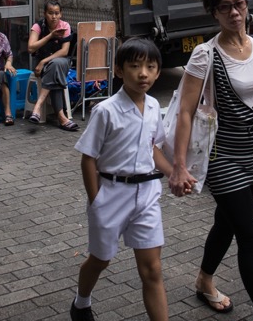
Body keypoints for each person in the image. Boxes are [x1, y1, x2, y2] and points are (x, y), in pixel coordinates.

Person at [168, 0, 253, 321]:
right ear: (214, 13)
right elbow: (185, 114)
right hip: (221, 157)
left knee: (226, 222)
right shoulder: (204, 55)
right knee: (250, 235)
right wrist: (179, 166)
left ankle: (204, 279)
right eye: (225, 7)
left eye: (238, 4)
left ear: (247, 4)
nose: (234, 12)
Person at [70, 38, 177, 321]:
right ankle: (81, 302)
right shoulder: (105, 111)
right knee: (101, 259)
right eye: (134, 66)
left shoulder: (155, 107)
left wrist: (174, 173)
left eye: (150, 67)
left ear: (157, 72)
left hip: (147, 196)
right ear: (119, 70)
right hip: (111, 194)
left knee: (152, 269)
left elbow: (152, 148)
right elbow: (88, 158)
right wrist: (96, 201)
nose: (143, 73)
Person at [27, 0, 78, 131]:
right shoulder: (38, 26)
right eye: (50, 13)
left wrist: (43, 62)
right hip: (43, 66)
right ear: (45, 14)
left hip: (60, 63)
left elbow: (64, 51)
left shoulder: (65, 26)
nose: (54, 17)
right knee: (55, 72)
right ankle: (62, 117)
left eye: (57, 13)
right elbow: (31, 48)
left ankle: (38, 106)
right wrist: (50, 36)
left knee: (56, 65)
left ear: (60, 14)